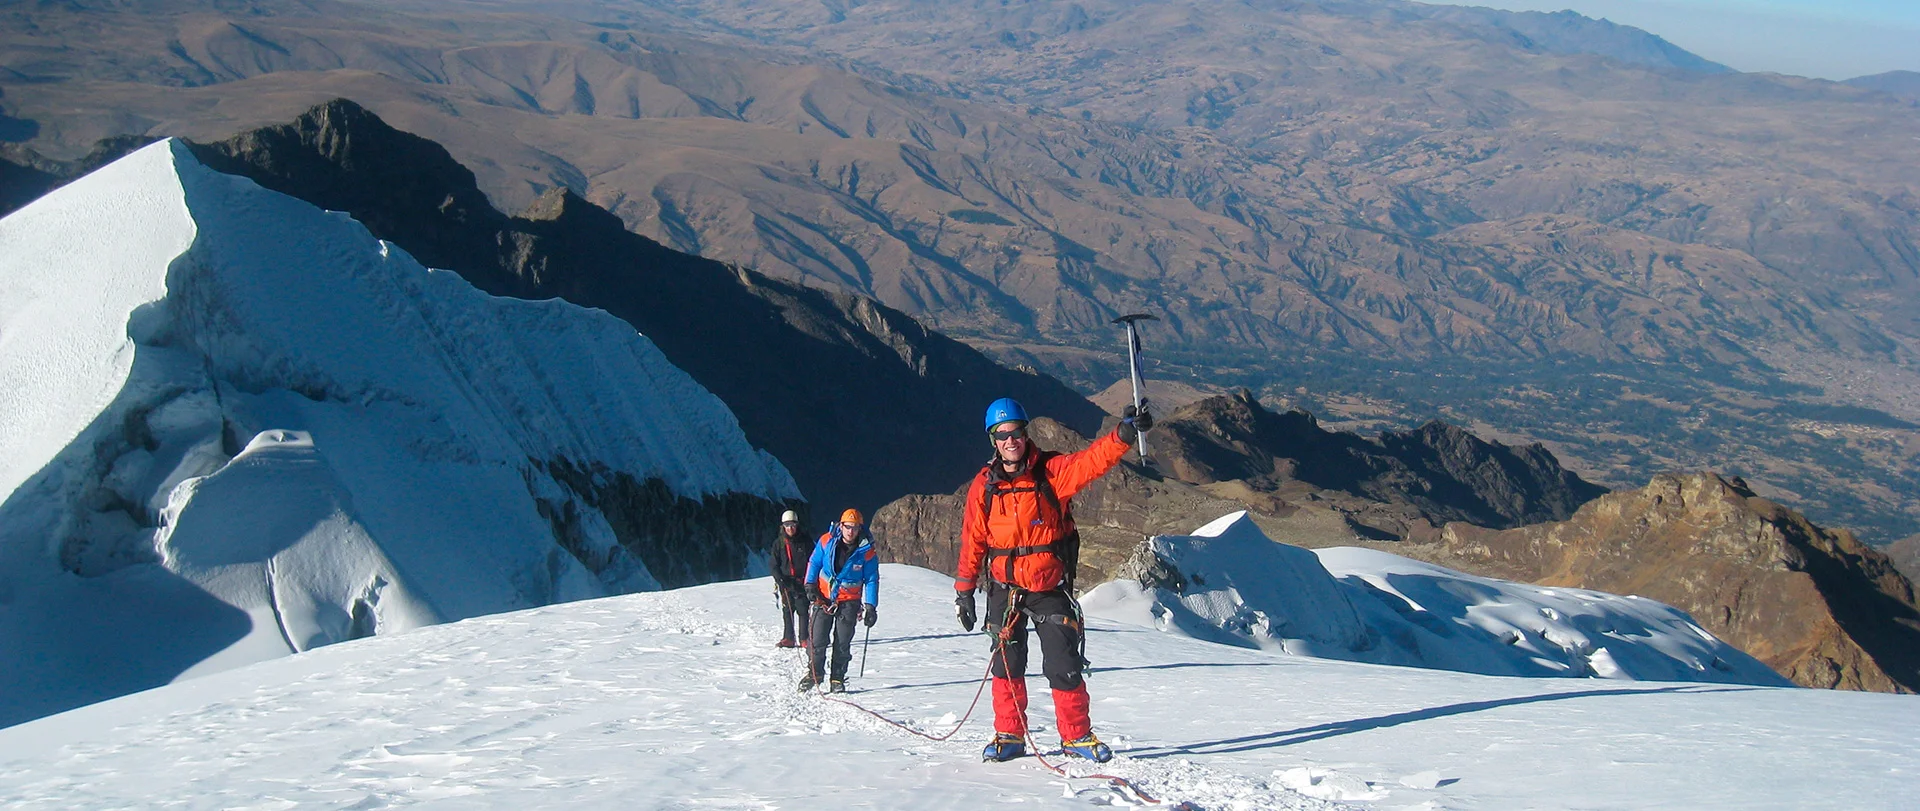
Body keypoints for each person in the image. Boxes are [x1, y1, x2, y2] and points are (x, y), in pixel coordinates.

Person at [953, 396, 1151, 763]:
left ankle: (1075, 736)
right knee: (1006, 665)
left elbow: (1092, 462)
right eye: (1002, 434)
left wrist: (1123, 434)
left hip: (1047, 586)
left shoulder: (1052, 472)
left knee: (1063, 663)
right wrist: (964, 590)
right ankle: (1009, 735)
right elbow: (973, 538)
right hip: (1004, 588)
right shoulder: (984, 487)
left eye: (1016, 432)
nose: (1010, 440)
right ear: (993, 440)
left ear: (1025, 434)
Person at [800, 508, 879, 693]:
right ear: (840, 526)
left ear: (860, 529)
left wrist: (871, 606)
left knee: (842, 641)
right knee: (817, 638)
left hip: (849, 602)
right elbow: (815, 562)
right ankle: (815, 673)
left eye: (854, 527)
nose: (850, 531)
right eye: (847, 527)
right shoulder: (826, 541)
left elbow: (872, 579)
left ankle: (837, 677)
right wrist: (810, 584)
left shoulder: (867, 552)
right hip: (823, 598)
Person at [770, 509, 812, 648]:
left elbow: (813, 561)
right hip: (786, 582)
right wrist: (779, 579)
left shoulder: (805, 541)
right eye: (787, 525)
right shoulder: (779, 544)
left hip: (801, 581)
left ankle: (804, 638)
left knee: (802, 610)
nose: (790, 528)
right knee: (787, 610)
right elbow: (774, 564)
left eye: (793, 525)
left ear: (797, 525)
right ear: (783, 526)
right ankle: (789, 638)